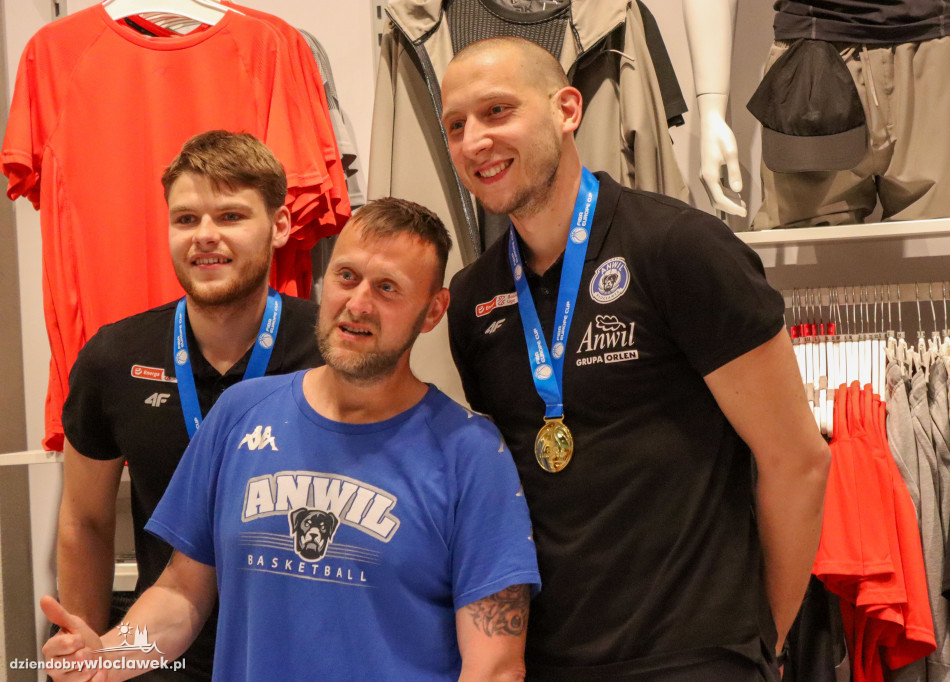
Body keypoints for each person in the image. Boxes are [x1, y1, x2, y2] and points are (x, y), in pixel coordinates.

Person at [440, 37, 832, 681]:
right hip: (549, 662)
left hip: (691, 658)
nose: (474, 141)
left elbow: (798, 461)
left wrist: (766, 641)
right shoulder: (474, 299)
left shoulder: (680, 248)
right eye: (456, 125)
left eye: (497, 111)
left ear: (567, 109)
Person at [42, 197, 541, 681]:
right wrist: (109, 654)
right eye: (347, 276)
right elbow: (181, 594)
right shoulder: (239, 413)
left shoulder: (471, 453)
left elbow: (495, 666)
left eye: (387, 288)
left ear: (432, 311)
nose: (357, 304)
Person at [54, 130, 326, 680]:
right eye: (185, 219)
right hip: (158, 654)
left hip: (306, 658)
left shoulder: (331, 349)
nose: (204, 236)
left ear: (280, 226)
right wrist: (89, 654)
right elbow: (85, 521)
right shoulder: (114, 357)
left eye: (230, 216)